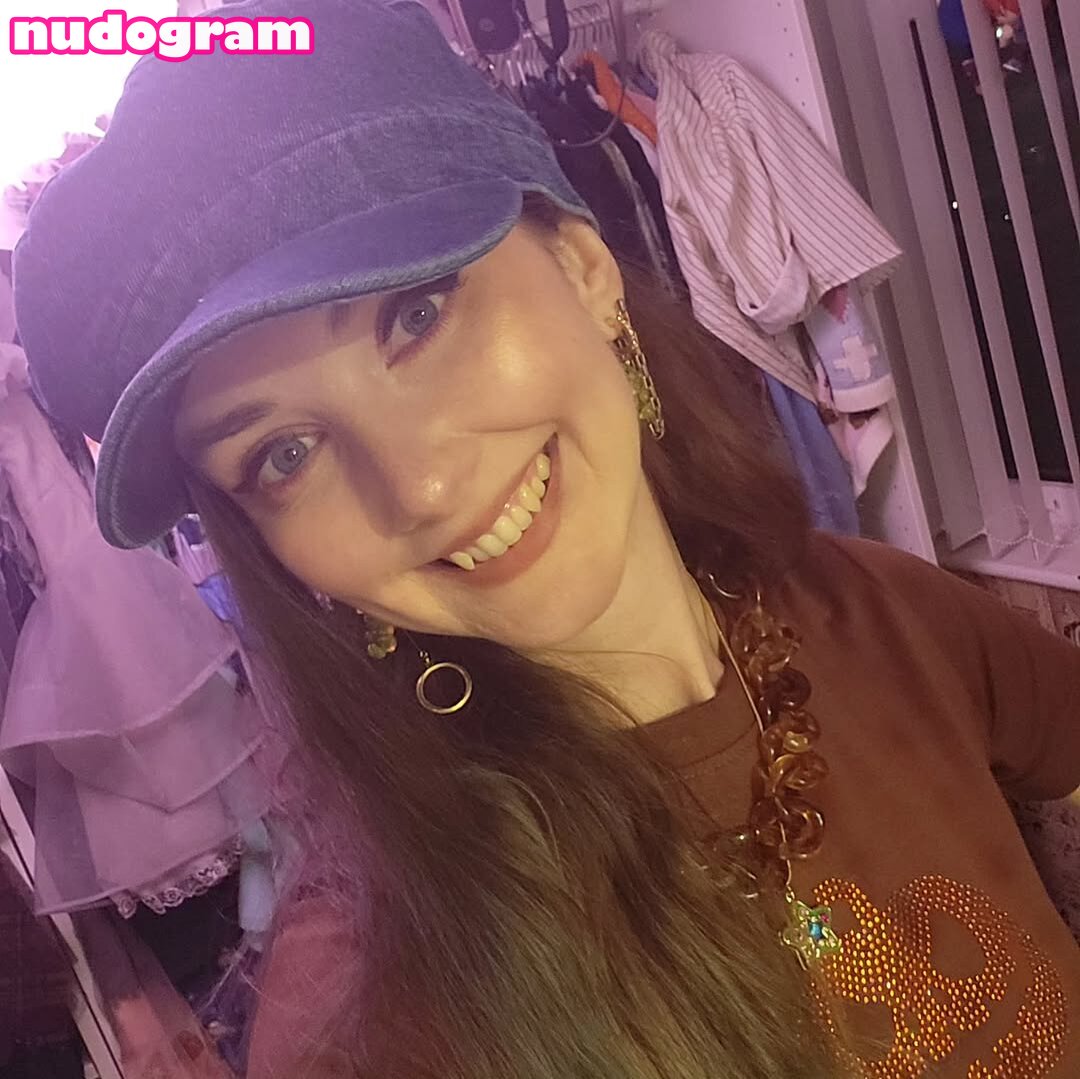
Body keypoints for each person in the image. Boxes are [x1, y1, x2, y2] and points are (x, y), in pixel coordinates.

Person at [13, 0, 1080, 1076]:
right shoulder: (372, 1009)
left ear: (583, 269)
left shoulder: (879, 610)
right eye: (284, 453)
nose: (422, 485)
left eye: (417, 317)